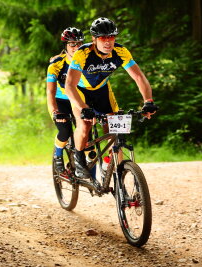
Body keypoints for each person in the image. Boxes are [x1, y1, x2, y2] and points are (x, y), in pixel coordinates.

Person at [64, 17, 158, 179]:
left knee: (114, 129)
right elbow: (69, 86)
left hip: (102, 91)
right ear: (94, 39)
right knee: (85, 125)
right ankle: (79, 159)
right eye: (102, 38)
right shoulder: (83, 53)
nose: (108, 42)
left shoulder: (120, 52)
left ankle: (113, 167)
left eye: (111, 37)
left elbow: (139, 77)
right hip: (80, 92)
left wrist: (148, 101)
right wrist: (83, 108)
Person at [46, 27, 84, 173]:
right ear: (65, 46)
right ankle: (58, 155)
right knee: (65, 130)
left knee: (87, 134)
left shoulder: (87, 60)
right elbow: (50, 90)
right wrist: (55, 111)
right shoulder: (56, 63)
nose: (76, 47)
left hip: (79, 100)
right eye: (72, 44)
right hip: (60, 101)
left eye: (79, 44)